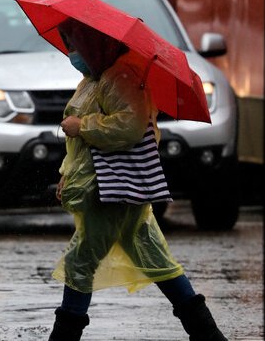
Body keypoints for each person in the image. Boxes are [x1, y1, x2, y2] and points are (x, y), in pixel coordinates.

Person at [48, 20, 227, 341]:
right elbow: (80, 148)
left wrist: (82, 125)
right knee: (156, 258)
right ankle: (208, 335)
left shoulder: (121, 77)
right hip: (107, 187)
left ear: (95, 44)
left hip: (112, 189)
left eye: (75, 44)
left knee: (80, 261)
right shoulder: (94, 78)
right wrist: (66, 174)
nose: (72, 53)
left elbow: (129, 128)